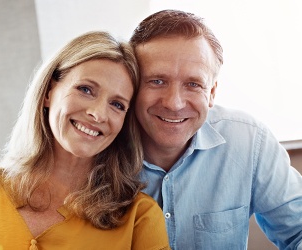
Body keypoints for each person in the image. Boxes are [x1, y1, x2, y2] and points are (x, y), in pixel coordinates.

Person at [0, 31, 170, 250]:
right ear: (48, 93)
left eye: (117, 105)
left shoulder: (140, 217)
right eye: (86, 89)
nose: (98, 114)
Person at [129, 9, 302, 249]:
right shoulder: (98, 146)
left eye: (193, 84)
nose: (174, 103)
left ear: (211, 93)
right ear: (132, 85)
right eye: (157, 81)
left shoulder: (250, 141)